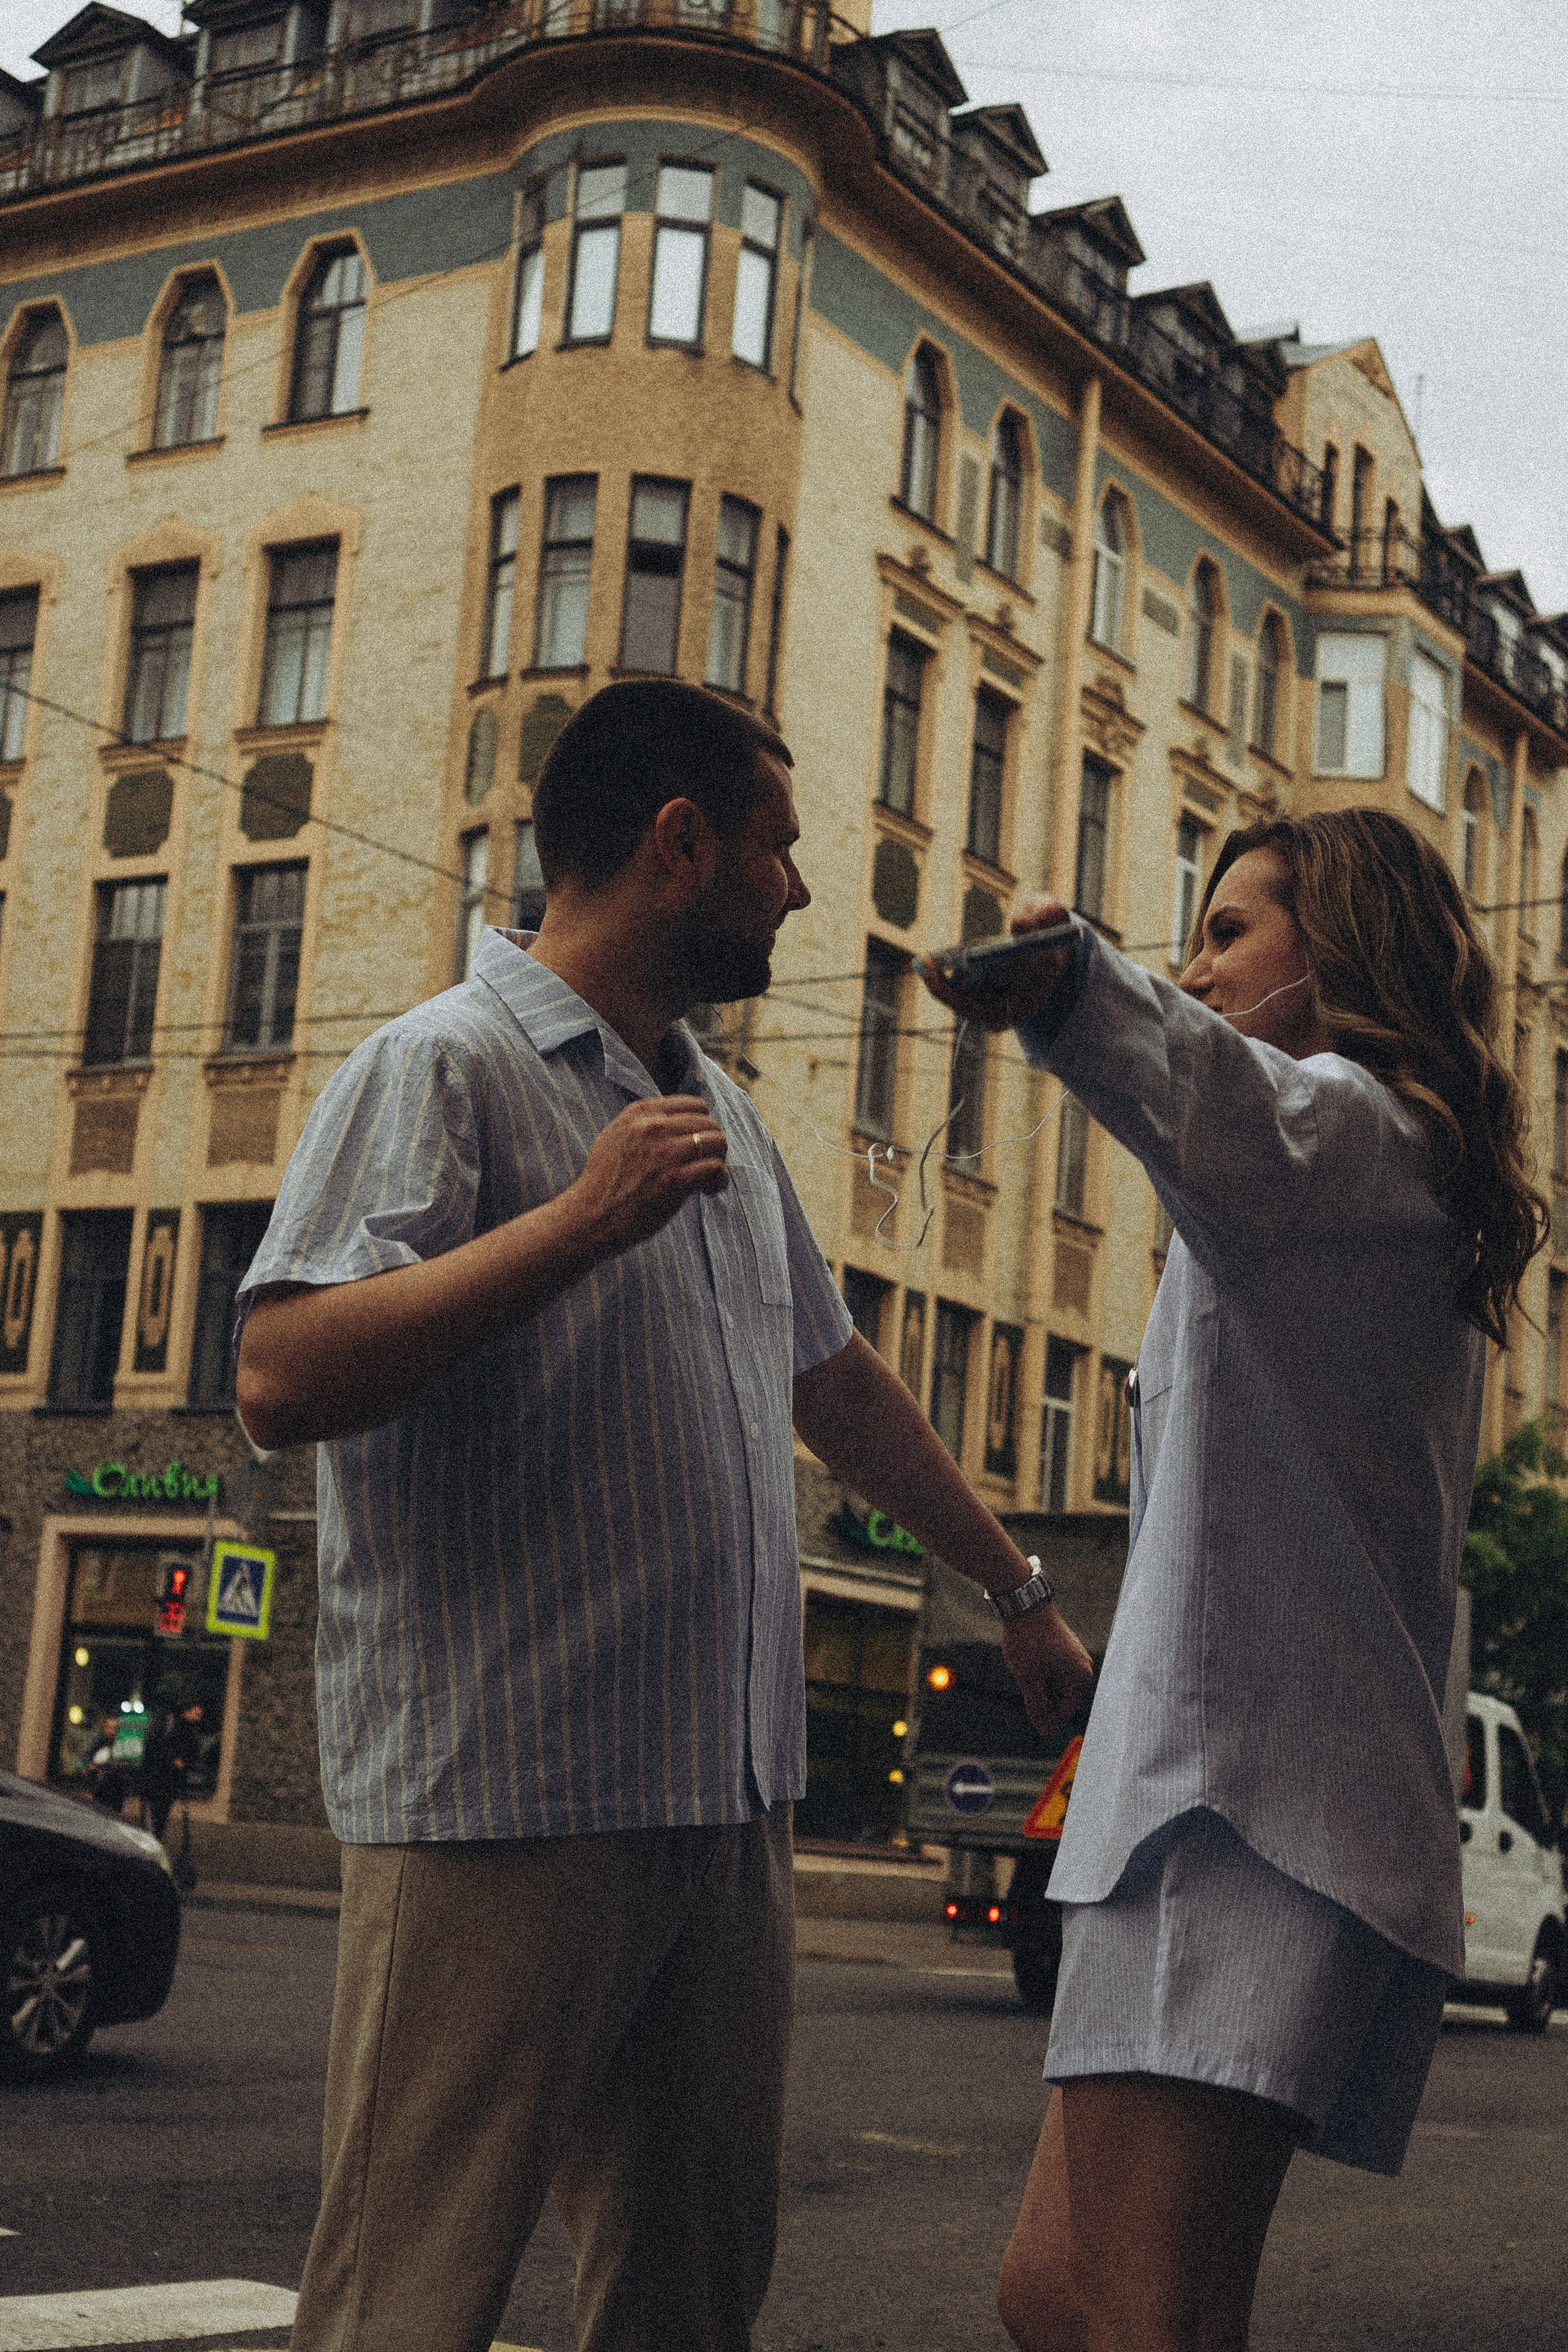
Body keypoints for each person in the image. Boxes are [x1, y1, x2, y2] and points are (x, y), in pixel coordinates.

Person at [235, 678, 1092, 2352]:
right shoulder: (443, 1066)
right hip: (505, 1805)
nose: (802, 887)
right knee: (408, 2300)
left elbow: (835, 1385)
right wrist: (577, 1220)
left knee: (693, 2300)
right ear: (679, 847)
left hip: (718, 1808)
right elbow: (278, 1372)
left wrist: (1018, 1588)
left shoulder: (720, 1116)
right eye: (780, 847)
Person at [921, 807, 1545, 2352]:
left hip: (1249, 1811)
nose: (1195, 969)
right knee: (1053, 2290)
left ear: (1329, 956)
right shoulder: (1341, 1176)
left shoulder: (1356, 1131)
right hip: (1196, 1800)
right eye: (1185, 940)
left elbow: (1214, 1097)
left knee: (1147, 2314)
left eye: (1224, 933)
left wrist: (1070, 978)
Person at [140, 1701, 205, 1841]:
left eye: (200, 1715)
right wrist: (173, 1761)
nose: (198, 1718)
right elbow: (154, 1748)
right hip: (154, 1784)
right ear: (186, 1711)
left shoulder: (192, 1732)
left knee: (160, 1822)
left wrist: (185, 1763)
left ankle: (153, 1854)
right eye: (196, 1713)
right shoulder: (168, 1724)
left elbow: (193, 1755)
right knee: (150, 1825)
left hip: (170, 1786)